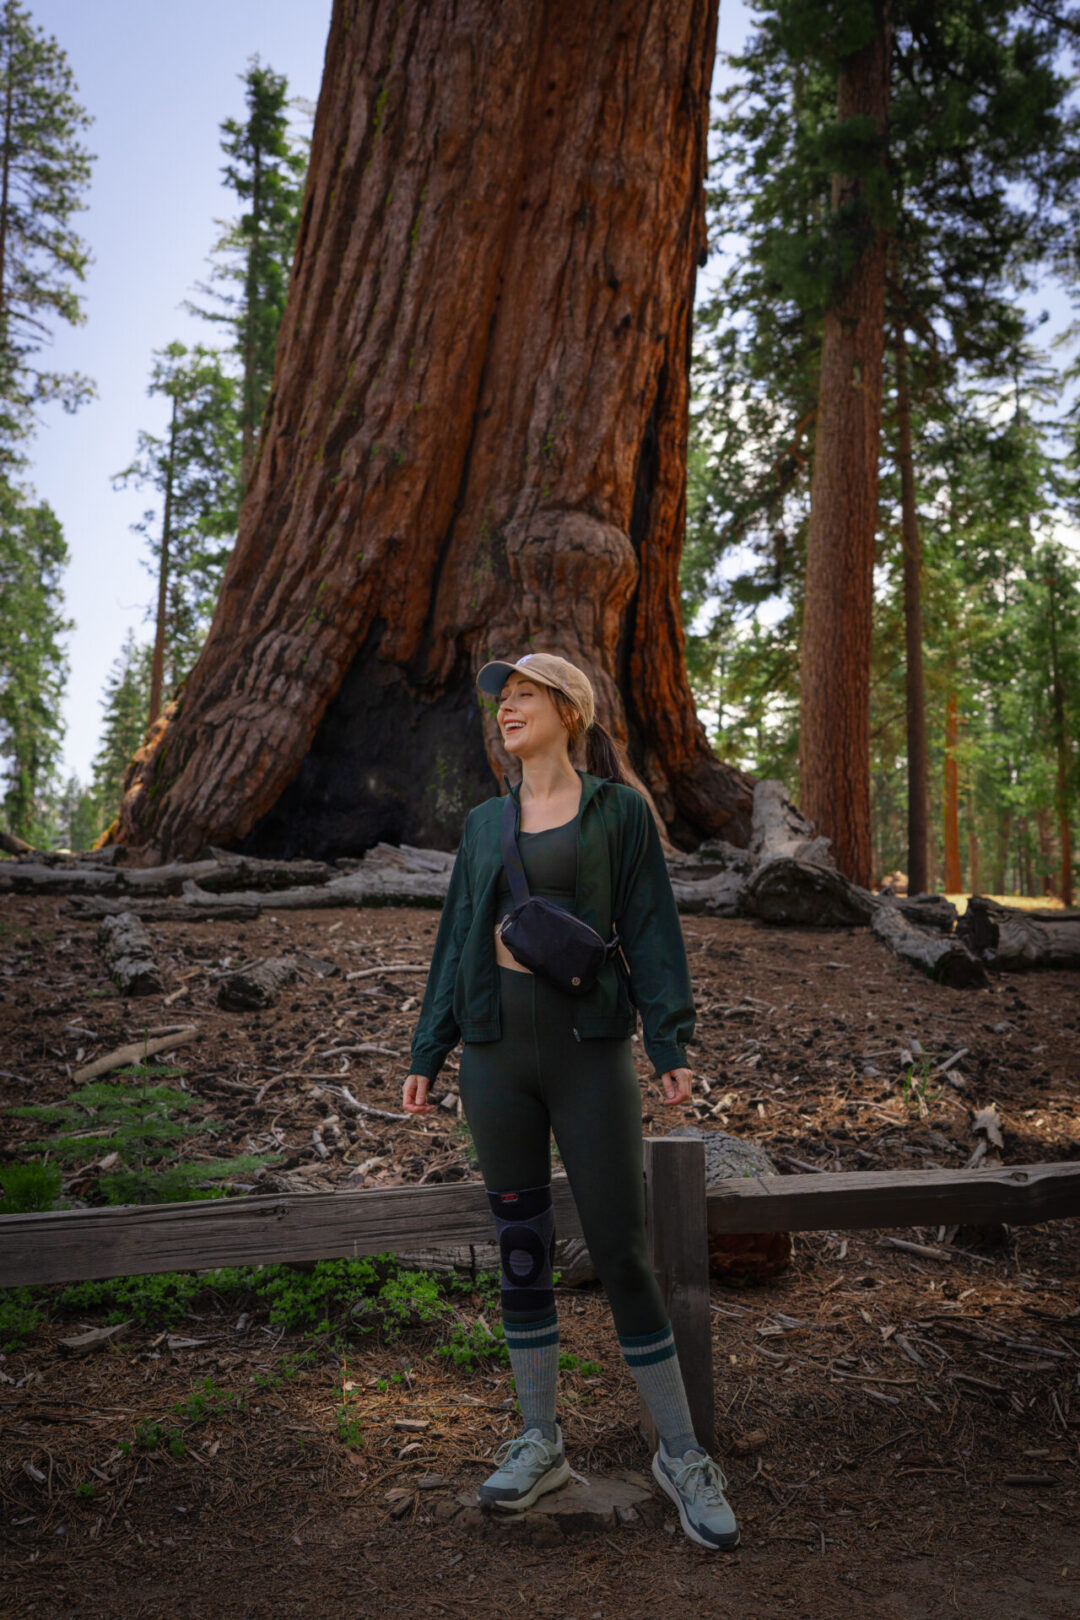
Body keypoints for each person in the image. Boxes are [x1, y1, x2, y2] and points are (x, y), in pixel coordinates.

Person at [402, 651, 738, 1552]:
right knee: (520, 1248)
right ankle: (540, 1441)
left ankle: (680, 1453)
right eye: (501, 702)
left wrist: (667, 1038)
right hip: (494, 1056)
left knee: (624, 1250)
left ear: (569, 711)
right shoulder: (483, 825)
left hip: (591, 1051)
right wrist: (429, 1049)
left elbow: (652, 922)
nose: (505, 711)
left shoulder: (617, 810)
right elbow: (455, 936)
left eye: (523, 697)